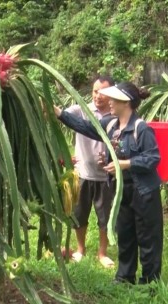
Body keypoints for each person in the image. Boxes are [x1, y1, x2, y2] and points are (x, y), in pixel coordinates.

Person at [54, 82, 163, 285]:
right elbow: (85, 127)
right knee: (125, 232)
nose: (108, 102)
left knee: (148, 237)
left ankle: (150, 283)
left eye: (113, 99)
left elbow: (153, 158)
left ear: (126, 102)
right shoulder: (110, 124)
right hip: (121, 189)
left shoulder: (142, 128)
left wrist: (125, 164)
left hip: (144, 191)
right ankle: (124, 277)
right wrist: (59, 113)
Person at [65, 75, 115, 268]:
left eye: (103, 92)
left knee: (105, 217)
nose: (98, 96)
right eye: (95, 91)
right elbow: (61, 116)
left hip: (106, 176)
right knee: (79, 214)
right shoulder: (81, 110)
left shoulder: (116, 115)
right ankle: (80, 249)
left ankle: (102, 253)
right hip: (83, 173)